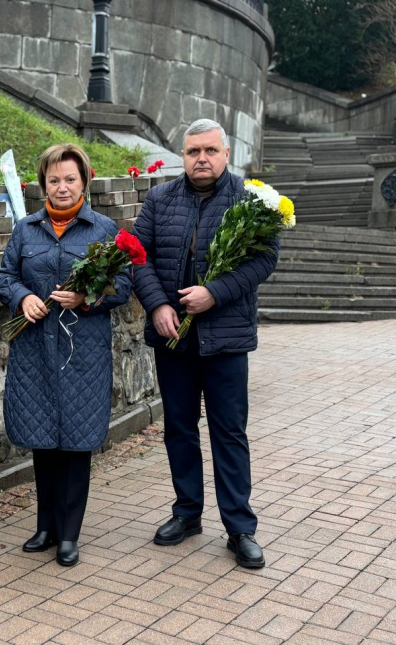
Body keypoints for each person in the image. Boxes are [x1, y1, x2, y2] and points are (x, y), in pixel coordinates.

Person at [132, 119, 279, 569]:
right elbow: (138, 256)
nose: (201, 159)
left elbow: (264, 259)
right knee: (179, 427)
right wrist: (157, 305)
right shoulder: (160, 199)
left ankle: (240, 528)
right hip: (173, 337)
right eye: (193, 151)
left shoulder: (250, 200)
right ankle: (187, 513)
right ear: (183, 154)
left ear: (226, 153)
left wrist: (214, 292)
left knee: (229, 432)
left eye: (210, 151)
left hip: (226, 338)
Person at [0, 143, 132, 567]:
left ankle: (69, 533)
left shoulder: (102, 229)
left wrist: (85, 297)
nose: (62, 187)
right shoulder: (26, 230)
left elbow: (123, 286)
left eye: (70, 179)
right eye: (54, 180)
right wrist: (22, 297)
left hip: (81, 351)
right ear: (43, 185)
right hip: (35, 348)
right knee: (42, 440)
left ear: (84, 182)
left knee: (75, 443)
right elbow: (4, 276)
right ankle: (46, 526)